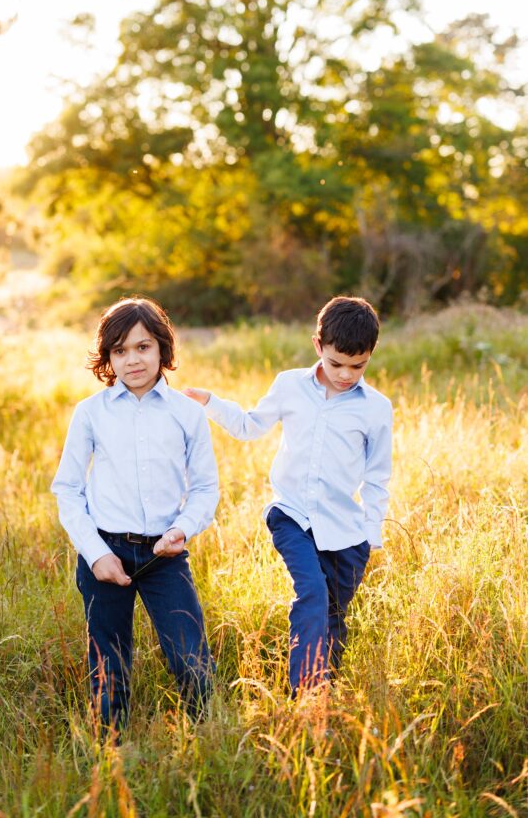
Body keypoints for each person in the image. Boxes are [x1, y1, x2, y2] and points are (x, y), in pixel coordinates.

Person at [186, 296, 392, 696]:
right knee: (312, 593)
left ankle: (326, 692)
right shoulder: (289, 386)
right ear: (318, 346)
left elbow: (378, 475)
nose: (346, 374)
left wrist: (371, 534)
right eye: (336, 364)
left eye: (358, 365)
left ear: (370, 355)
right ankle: (305, 694)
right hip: (291, 515)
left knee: (333, 613)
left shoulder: (376, 408)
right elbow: (249, 426)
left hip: (346, 530)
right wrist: (210, 403)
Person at [52, 297, 219, 731]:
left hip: (165, 554)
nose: (133, 360)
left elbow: (204, 487)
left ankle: (209, 741)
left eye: (143, 347)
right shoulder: (90, 413)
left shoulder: (186, 413)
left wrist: (182, 529)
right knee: (109, 671)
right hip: (105, 551)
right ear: (108, 357)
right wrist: (94, 553)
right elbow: (67, 489)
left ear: (163, 347)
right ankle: (112, 757)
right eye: (120, 351)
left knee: (191, 661)